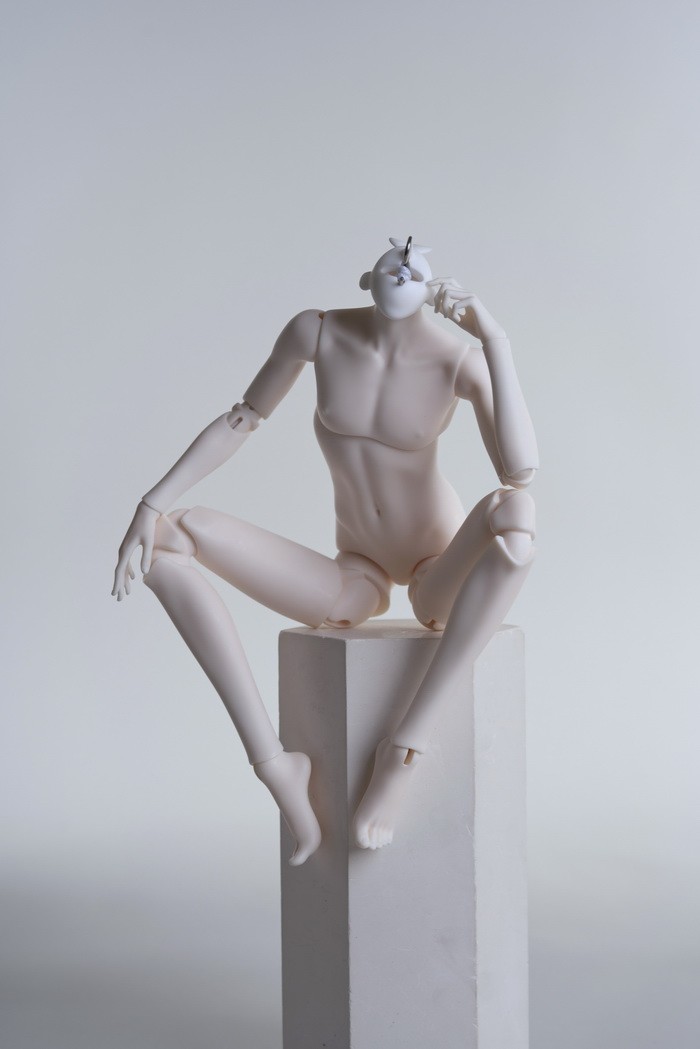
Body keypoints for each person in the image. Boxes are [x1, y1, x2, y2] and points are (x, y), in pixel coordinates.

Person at [112, 237, 538, 864]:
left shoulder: (459, 360)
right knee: (171, 538)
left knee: (517, 516)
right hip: (355, 571)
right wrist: (151, 504)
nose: (403, 261)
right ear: (367, 279)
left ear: (431, 287)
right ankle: (274, 764)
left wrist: (495, 340)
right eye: (391, 260)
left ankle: (405, 749)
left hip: (437, 568)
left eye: (413, 263)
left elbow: (520, 471)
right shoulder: (316, 333)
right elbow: (242, 417)